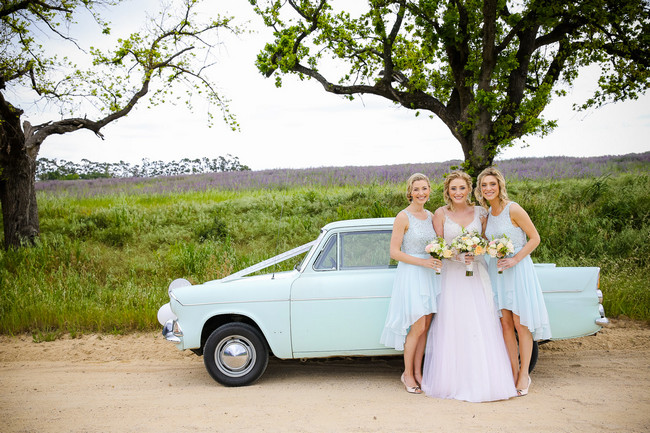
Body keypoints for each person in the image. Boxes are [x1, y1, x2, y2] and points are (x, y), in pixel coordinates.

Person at [421, 170, 517, 402]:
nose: (457, 193)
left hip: (477, 275)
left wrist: (476, 250)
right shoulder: (440, 213)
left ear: (469, 189)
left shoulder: (481, 212)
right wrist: (456, 255)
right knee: (454, 325)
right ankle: (453, 381)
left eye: (462, 188)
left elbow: (485, 241)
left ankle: (484, 379)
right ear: (447, 191)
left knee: (481, 323)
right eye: (453, 188)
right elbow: (439, 247)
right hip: (453, 277)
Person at [476, 166, 552, 396]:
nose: (488, 188)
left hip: (517, 271)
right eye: (484, 185)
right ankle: (512, 370)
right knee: (505, 324)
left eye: (492, 184)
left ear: (500, 186)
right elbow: (485, 243)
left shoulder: (514, 209)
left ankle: (523, 375)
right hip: (496, 272)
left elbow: (535, 238)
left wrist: (515, 259)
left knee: (521, 324)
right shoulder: (486, 216)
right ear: (480, 190)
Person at [380, 173, 442, 394]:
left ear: (429, 190)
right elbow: (394, 252)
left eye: (424, 188)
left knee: (425, 327)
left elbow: (438, 244)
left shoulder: (431, 215)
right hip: (412, 275)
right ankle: (407, 374)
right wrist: (422, 263)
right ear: (410, 192)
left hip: (430, 276)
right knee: (416, 327)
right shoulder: (403, 217)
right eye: (416, 189)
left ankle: (418, 372)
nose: (421, 193)